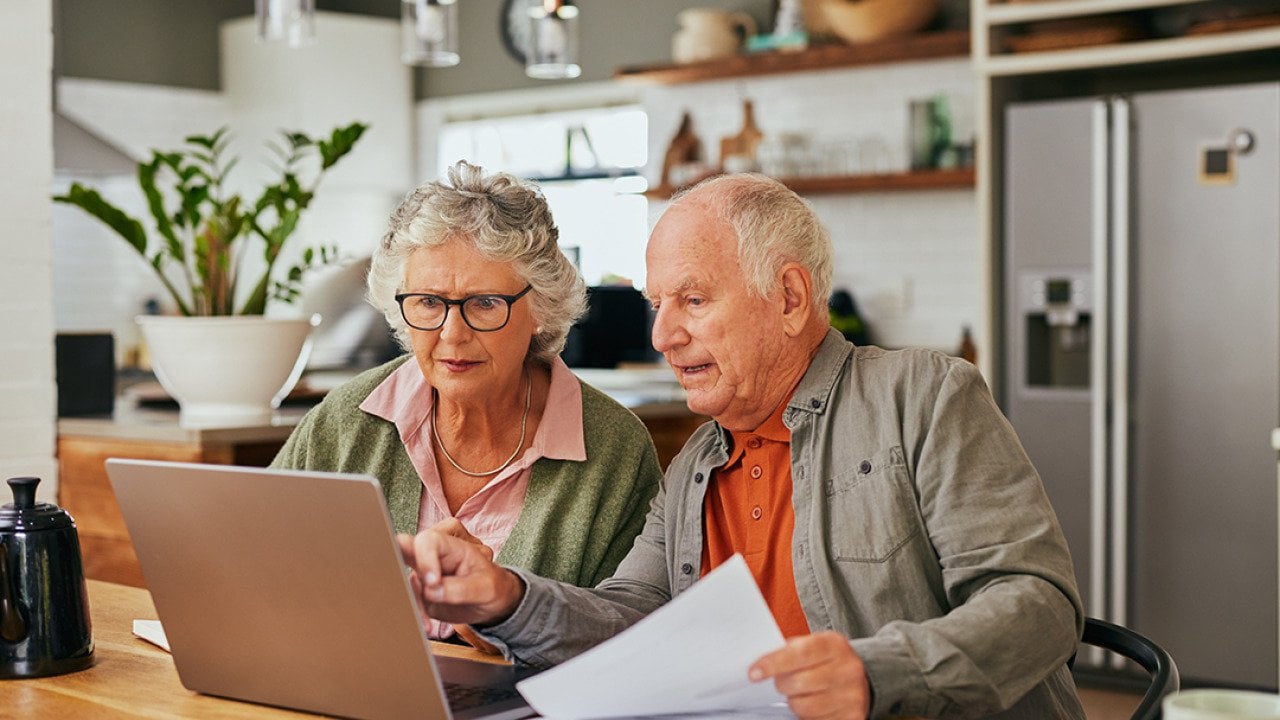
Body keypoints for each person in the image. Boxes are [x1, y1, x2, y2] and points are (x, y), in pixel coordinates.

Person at [398, 173, 1086, 719]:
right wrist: (505, 597)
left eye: (692, 301)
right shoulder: (698, 461)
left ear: (788, 298)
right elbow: (630, 625)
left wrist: (877, 676)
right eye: (656, 304)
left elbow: (1038, 604)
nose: (664, 335)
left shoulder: (923, 396)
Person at [272, 160, 663, 645]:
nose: (452, 336)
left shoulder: (613, 449)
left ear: (540, 308)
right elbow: (258, 564)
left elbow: (623, 637)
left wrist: (495, 614)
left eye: (484, 304)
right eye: (428, 303)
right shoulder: (344, 419)